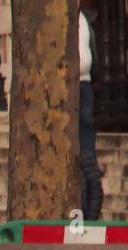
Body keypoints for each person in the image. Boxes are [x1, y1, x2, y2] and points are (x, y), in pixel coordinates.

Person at [79, 1, 104, 220]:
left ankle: (90, 164)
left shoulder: (84, 20)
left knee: (87, 127)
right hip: (68, 84)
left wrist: (96, 76)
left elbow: (92, 49)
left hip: (85, 83)